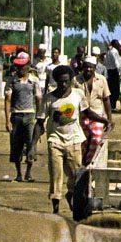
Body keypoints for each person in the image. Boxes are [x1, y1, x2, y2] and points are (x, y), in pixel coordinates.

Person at [44, 64, 94, 214]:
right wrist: (33, 145)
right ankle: (56, 209)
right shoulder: (49, 99)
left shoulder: (78, 95)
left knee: (75, 176)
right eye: (61, 82)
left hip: (74, 140)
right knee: (56, 175)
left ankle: (72, 196)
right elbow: (40, 122)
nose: (64, 85)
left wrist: (106, 121)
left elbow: (88, 113)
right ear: (56, 81)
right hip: (55, 141)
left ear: (71, 80)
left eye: (66, 81)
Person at [3, 51, 43, 182]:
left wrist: (40, 118)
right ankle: (19, 173)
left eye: (22, 66)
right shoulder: (12, 81)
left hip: (30, 115)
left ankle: (29, 173)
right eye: (18, 66)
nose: (20, 69)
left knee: (31, 144)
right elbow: (8, 100)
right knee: (16, 145)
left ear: (28, 66)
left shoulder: (34, 81)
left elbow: (38, 99)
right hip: (16, 115)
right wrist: (7, 120)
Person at [78, 56, 112, 166]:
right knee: (82, 142)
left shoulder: (101, 80)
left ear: (95, 67)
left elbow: (106, 99)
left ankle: (89, 163)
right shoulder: (76, 80)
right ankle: (81, 163)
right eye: (86, 67)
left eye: (90, 67)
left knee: (96, 140)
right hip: (81, 116)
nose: (88, 69)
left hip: (97, 115)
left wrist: (109, 118)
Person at [104, 39, 121, 111]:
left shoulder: (108, 52)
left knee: (110, 89)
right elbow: (117, 63)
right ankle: (113, 106)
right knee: (115, 89)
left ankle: (111, 106)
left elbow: (105, 62)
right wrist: (120, 73)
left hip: (109, 71)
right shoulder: (115, 52)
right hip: (114, 71)